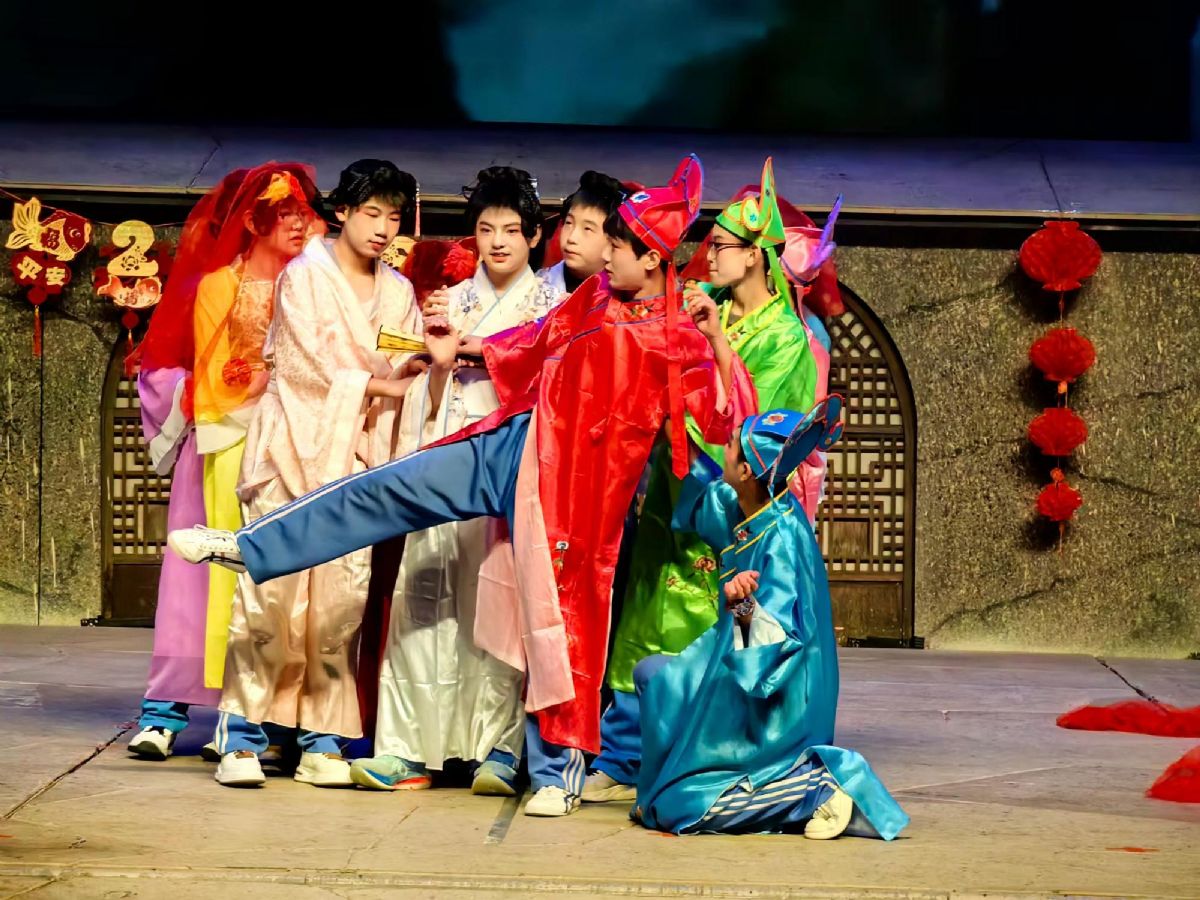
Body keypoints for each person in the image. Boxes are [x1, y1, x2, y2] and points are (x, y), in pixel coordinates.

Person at [168, 155, 756, 816]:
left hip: (577, 496)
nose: (603, 255)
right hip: (516, 443)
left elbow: (727, 421)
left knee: (559, 629)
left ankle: (555, 772)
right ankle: (253, 546)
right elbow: (533, 340)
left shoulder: (679, 336)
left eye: (615, 245)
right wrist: (458, 349)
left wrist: (717, 341)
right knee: (393, 487)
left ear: (650, 259)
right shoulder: (594, 295)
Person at [586, 159, 821, 801]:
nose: (708, 256)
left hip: (726, 502)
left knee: (706, 625)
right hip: (673, 486)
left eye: (720, 247)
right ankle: (623, 753)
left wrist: (706, 363)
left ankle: (693, 757)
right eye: (709, 245)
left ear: (755, 256)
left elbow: (757, 429)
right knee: (645, 611)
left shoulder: (786, 338)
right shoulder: (704, 306)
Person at [210, 159, 425, 788]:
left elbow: (402, 354)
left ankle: (322, 739)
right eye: (371, 213)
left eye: (393, 216)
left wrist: (424, 356)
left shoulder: (399, 292)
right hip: (288, 450)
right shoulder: (304, 276)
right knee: (270, 595)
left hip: (354, 455)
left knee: (340, 599)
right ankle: (243, 735)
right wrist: (384, 385)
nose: (382, 228)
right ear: (342, 212)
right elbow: (307, 368)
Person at [352, 167, 558, 795]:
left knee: (495, 602)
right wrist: (440, 368)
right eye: (487, 229)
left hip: (504, 465)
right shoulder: (449, 300)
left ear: (534, 236)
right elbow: (422, 386)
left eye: (512, 230)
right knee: (426, 593)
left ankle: (499, 748)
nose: (498, 242)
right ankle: (407, 748)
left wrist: (483, 357)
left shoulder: (549, 307)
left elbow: (548, 395)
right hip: (444, 454)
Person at [634, 402, 908, 840]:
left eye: (729, 445)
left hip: (778, 703)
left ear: (746, 470)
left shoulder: (781, 540)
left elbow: (772, 649)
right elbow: (705, 494)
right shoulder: (749, 505)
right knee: (653, 677)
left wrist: (742, 604)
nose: (723, 449)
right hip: (739, 672)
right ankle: (676, 777)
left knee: (681, 805)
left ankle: (814, 788)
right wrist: (674, 441)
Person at [127, 163, 322, 761]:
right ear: (254, 222)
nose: (298, 224)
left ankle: (262, 718)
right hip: (223, 440)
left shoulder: (315, 281)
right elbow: (214, 374)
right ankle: (164, 711)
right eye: (284, 214)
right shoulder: (219, 284)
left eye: (302, 213)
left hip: (294, 443)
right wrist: (267, 381)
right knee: (196, 577)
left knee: (279, 583)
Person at [537, 170, 628, 296]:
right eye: (569, 223)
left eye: (587, 229)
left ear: (614, 239)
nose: (572, 238)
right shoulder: (537, 286)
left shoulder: (624, 292)